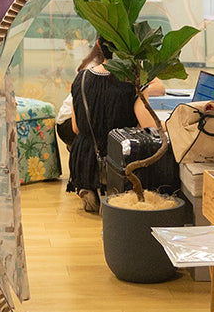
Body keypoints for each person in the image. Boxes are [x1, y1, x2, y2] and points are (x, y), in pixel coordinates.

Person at [65, 37, 162, 213]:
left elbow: (76, 128)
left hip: (84, 160)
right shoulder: (133, 81)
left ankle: (90, 187)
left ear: (98, 45)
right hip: (118, 159)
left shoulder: (81, 77)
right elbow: (149, 127)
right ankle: (115, 193)